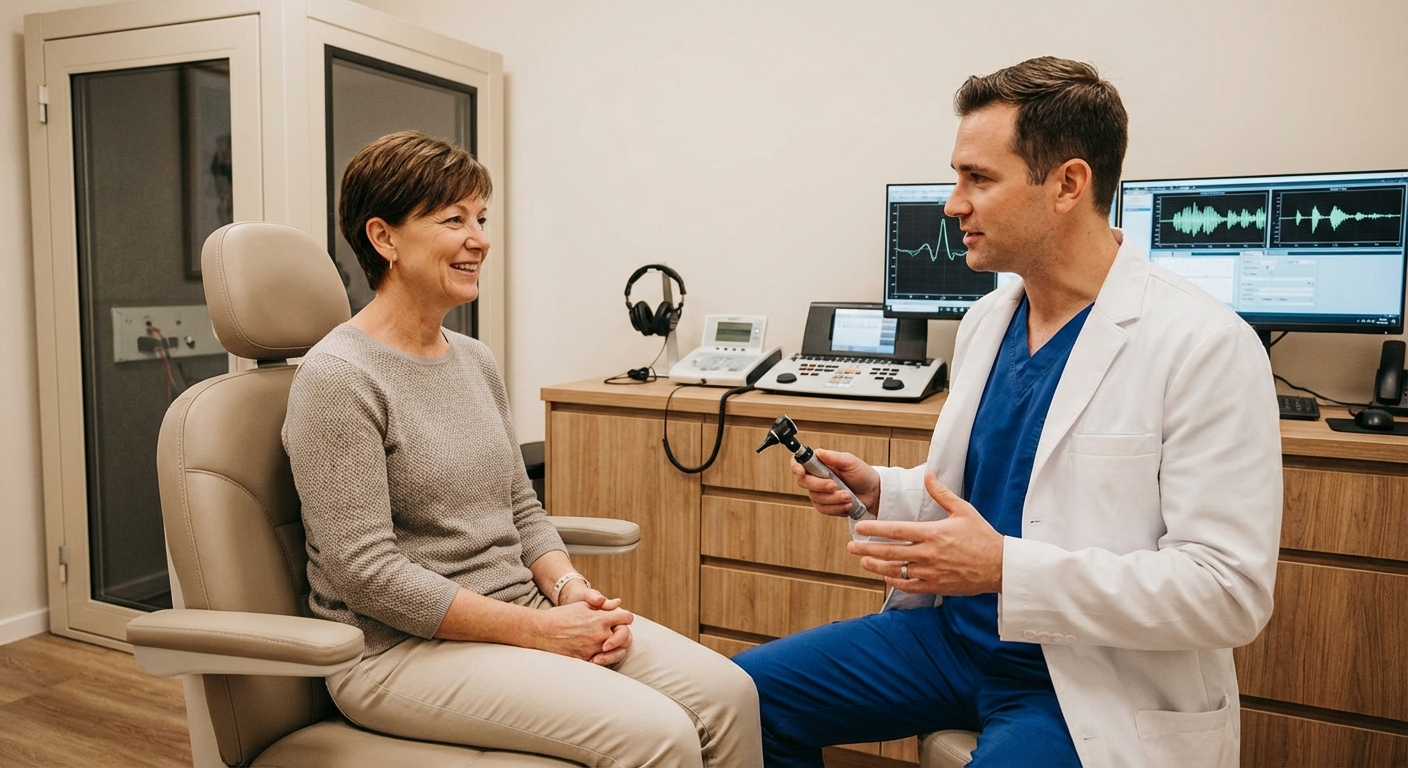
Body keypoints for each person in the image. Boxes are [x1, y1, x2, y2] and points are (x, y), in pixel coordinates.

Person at [734, 57, 1282, 768]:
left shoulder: (1204, 345)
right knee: (734, 700)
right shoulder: (989, 319)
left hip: (1085, 675)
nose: (953, 204)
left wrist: (1006, 569)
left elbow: (1228, 593)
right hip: (955, 641)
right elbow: (1001, 487)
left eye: (978, 179)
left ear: (1068, 185)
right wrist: (885, 490)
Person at [282, 131, 762, 768]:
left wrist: (568, 592)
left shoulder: (475, 361)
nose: (479, 238)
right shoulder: (337, 378)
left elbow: (522, 510)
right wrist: (541, 633)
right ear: (384, 238)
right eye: (453, 220)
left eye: (480, 218)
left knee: (732, 693)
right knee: (658, 734)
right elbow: (367, 576)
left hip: (521, 611)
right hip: (396, 651)